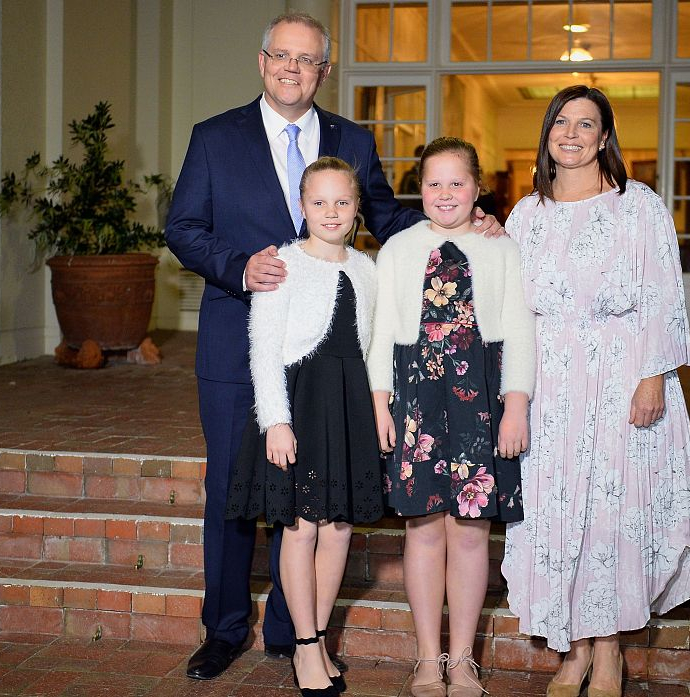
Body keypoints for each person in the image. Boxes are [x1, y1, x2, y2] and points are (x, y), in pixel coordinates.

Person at [164, 11, 503, 682]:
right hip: (239, 340)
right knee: (232, 489)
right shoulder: (214, 137)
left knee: (311, 496)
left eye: (306, 59)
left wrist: (463, 221)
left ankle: (297, 634)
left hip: (327, 363)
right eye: (281, 56)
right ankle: (224, 629)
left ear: (324, 70)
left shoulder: (353, 138)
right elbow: (184, 227)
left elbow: (389, 217)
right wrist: (239, 268)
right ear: (263, 62)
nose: (292, 69)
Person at [500, 85, 690, 697]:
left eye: (585, 123)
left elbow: (664, 295)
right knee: (558, 512)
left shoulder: (637, 206)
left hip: (621, 377)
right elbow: (509, 305)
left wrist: (653, 377)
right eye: (560, 122)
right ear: (547, 133)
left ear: (604, 137)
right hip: (549, 384)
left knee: (612, 514)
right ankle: (573, 650)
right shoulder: (525, 214)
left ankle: (610, 650)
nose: (571, 133)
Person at [367, 137, 536, 697]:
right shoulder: (397, 249)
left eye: (457, 183)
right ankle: (426, 658)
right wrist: (380, 404)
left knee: (469, 532)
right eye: (434, 183)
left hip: (478, 403)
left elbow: (521, 330)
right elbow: (381, 335)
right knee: (422, 530)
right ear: (419, 189)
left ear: (478, 188)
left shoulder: (501, 248)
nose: (445, 194)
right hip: (415, 402)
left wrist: (516, 405)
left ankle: (462, 660)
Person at [226, 157, 380, 697]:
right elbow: (263, 351)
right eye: (319, 202)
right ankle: (305, 645)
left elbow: (373, 346)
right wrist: (276, 421)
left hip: (348, 405)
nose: (331, 212)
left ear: (357, 208)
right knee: (301, 526)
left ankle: (318, 636)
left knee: (339, 528)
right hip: (300, 404)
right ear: (302, 206)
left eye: (342, 201)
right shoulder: (283, 265)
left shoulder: (368, 268)